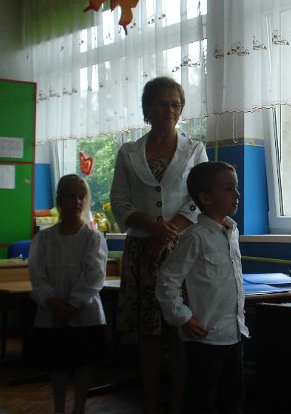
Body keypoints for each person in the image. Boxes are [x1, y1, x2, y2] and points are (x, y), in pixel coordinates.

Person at [110, 76, 207, 414]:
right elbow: (119, 200)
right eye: (162, 104)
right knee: (148, 333)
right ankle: (150, 404)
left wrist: (168, 233)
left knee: (180, 330)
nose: (170, 110)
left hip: (182, 248)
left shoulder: (194, 149)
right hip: (142, 249)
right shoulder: (128, 151)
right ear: (148, 108)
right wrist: (152, 228)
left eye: (176, 104)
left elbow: (200, 198)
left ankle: (178, 404)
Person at [156, 161, 249, 414]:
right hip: (206, 337)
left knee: (233, 400)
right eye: (228, 189)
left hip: (234, 333)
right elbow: (166, 281)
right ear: (206, 198)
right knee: (201, 400)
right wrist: (183, 317)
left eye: (236, 187)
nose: (237, 194)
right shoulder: (194, 237)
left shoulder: (232, 231)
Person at [27, 174, 108, 414]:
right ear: (59, 200)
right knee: (58, 365)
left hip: (84, 313)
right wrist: (53, 302)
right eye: (71, 196)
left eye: (81, 197)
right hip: (52, 311)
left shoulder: (92, 237)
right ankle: (59, 408)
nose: (77, 202)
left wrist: (72, 305)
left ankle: (79, 407)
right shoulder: (44, 238)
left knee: (83, 364)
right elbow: (37, 273)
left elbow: (94, 275)